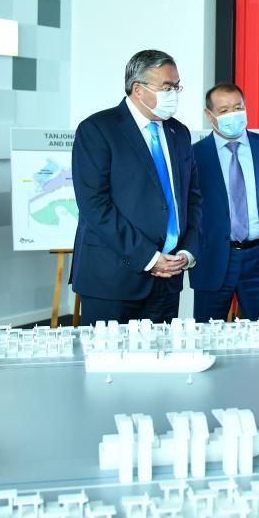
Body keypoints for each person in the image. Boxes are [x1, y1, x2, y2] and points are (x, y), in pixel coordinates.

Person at [70, 49, 202, 324]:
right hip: (113, 279)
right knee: (109, 353)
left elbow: (192, 199)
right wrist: (149, 258)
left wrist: (186, 251)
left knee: (161, 351)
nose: (174, 94)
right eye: (166, 87)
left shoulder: (179, 133)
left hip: (168, 279)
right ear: (138, 89)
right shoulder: (97, 129)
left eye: (177, 87)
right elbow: (95, 206)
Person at [189, 83, 259, 321]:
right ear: (209, 115)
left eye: (238, 108)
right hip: (212, 257)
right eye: (223, 111)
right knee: (208, 334)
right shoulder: (193, 155)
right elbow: (189, 207)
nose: (232, 115)